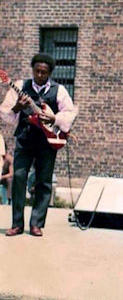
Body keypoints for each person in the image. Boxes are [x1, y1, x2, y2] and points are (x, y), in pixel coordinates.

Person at [0, 53, 77, 236]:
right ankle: (17, 224)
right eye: (37, 71)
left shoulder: (59, 91)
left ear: (49, 73)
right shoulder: (19, 86)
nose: (40, 75)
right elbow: (5, 113)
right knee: (19, 177)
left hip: (47, 141)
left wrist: (54, 117)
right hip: (25, 139)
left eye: (44, 72)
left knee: (43, 181)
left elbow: (70, 114)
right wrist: (18, 106)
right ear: (32, 70)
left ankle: (36, 224)